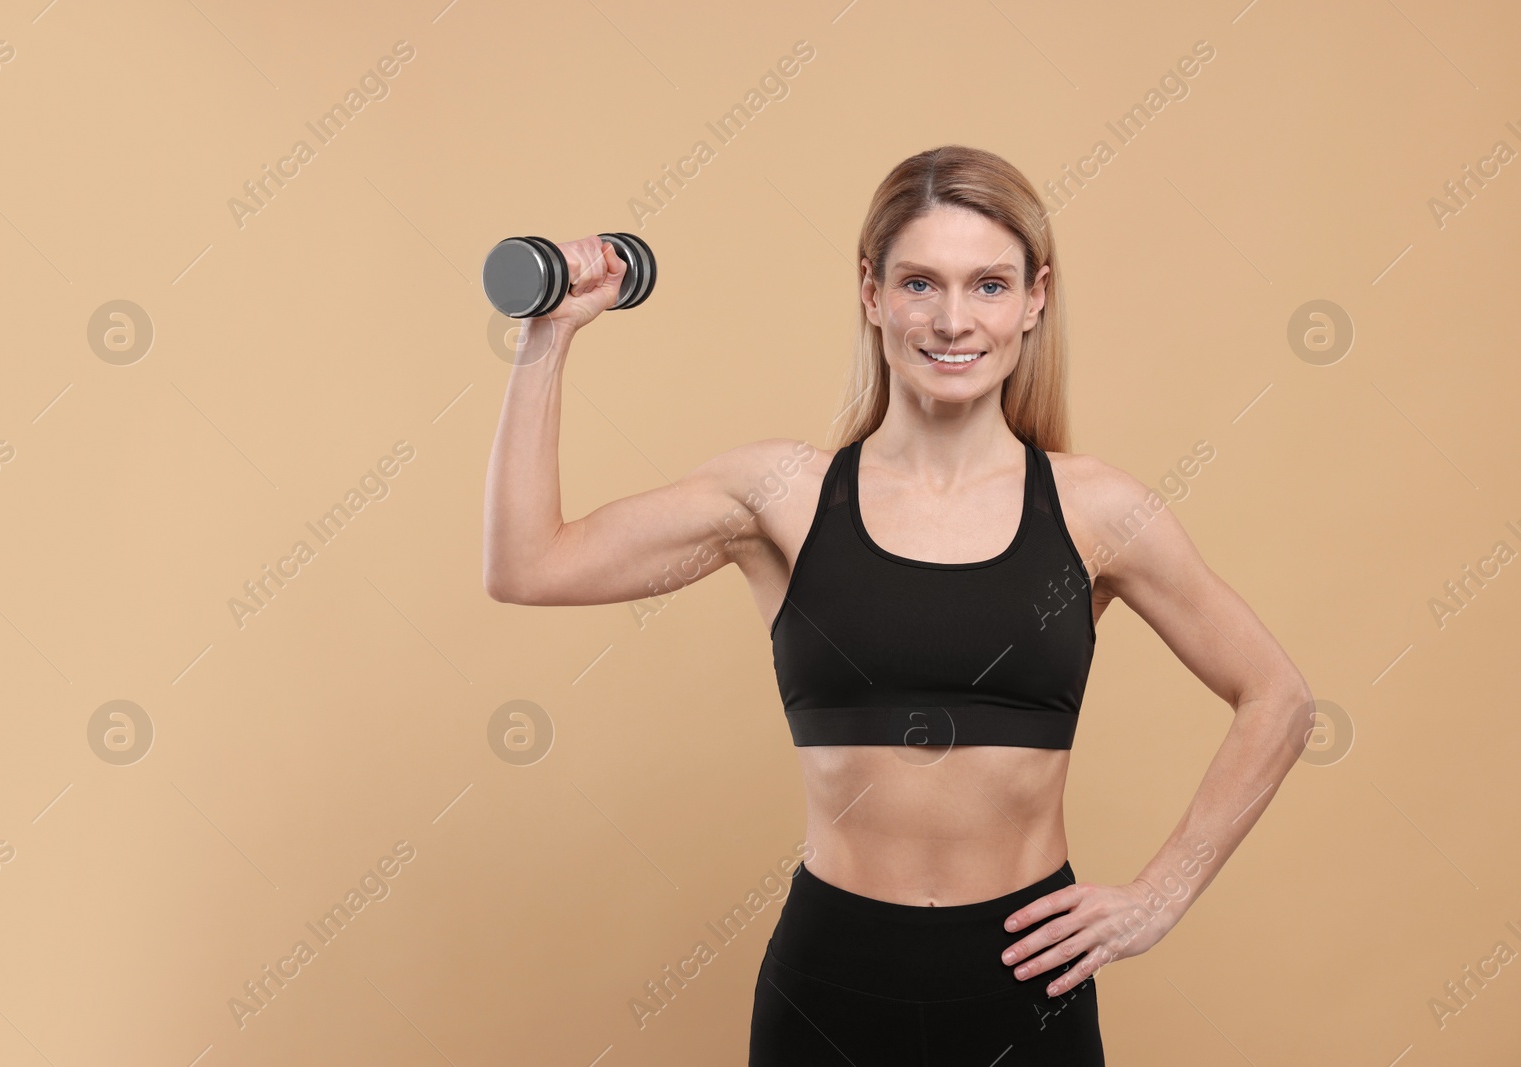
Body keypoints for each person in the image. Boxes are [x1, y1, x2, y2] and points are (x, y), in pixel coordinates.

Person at [483, 144, 1313, 1066]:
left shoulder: (1097, 512)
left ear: (1037, 298)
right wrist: (546, 337)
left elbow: (1278, 696)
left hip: (1025, 990)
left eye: (989, 286)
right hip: (830, 987)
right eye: (921, 283)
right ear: (872, 293)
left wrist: (1164, 893)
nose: (954, 320)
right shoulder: (782, 497)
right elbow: (529, 564)